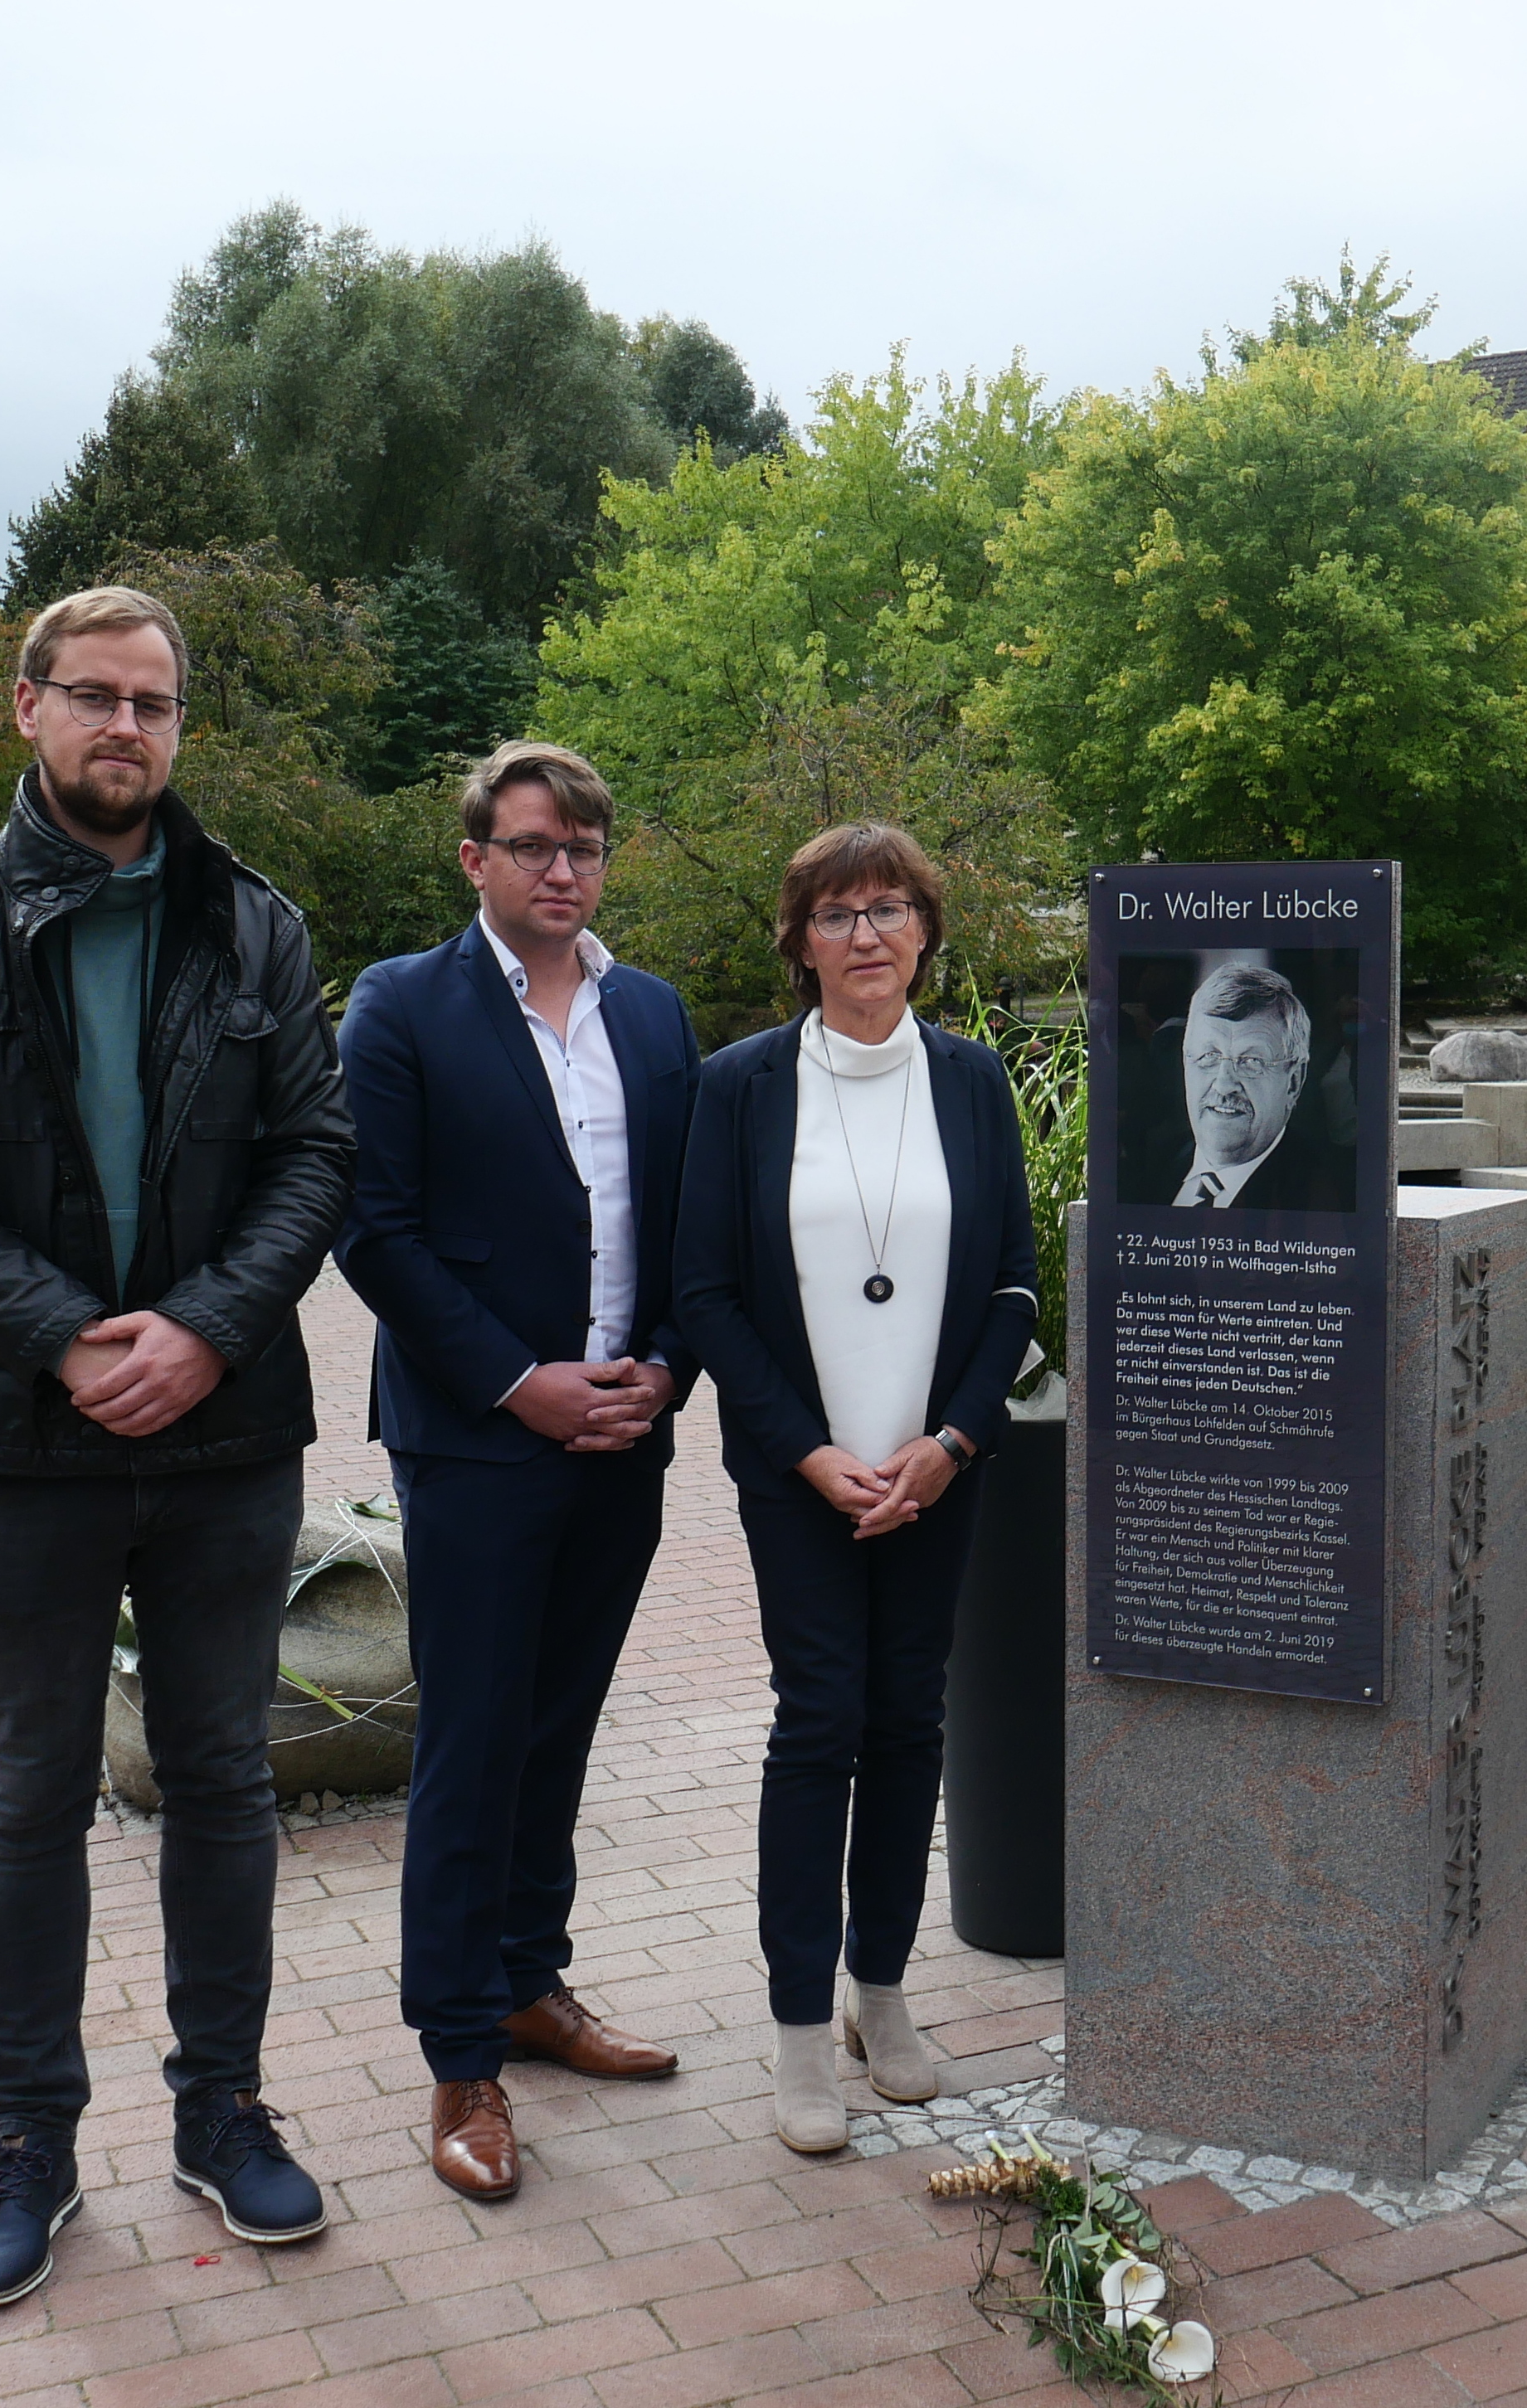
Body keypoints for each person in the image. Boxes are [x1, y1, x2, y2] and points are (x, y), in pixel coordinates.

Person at [0, 585, 357, 2308]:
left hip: (220, 1438)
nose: (124, 727)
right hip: (14, 1429)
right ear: (27, 709)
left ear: (179, 727)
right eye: (93, 697)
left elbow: (315, 1158)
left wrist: (204, 1329)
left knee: (220, 1779)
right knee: (28, 1790)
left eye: (153, 702)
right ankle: (28, 2143)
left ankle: (221, 2109)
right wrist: (63, 1335)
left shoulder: (256, 932)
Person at [333, 739, 700, 2203]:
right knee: (472, 1742)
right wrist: (519, 1380)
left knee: (560, 1724)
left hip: (627, 1429)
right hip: (481, 1435)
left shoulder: (654, 1014)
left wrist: (664, 1363)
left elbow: (692, 1218)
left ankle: (531, 1984)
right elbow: (377, 1228)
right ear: (474, 856)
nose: (564, 867)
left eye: (587, 845)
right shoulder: (402, 1005)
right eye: (536, 842)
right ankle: (458, 2048)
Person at [672, 824, 1038, 2155]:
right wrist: (809, 1452)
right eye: (838, 914)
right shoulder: (739, 1087)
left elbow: (1012, 1285)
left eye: (891, 909)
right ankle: (792, 2030)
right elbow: (703, 1293)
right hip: (798, 1471)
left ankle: (882, 1998)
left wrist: (952, 1441)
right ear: (799, 940)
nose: (868, 934)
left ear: (928, 933)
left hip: (938, 1472)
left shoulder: (975, 1082)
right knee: (819, 1719)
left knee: (909, 1722)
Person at [1141, 957, 1354, 1211]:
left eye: (1251, 1061)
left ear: (1293, 1082)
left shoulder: (1319, 1194)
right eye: (1209, 1056)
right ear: (1186, 1064)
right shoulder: (1151, 1169)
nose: (1224, 1085)